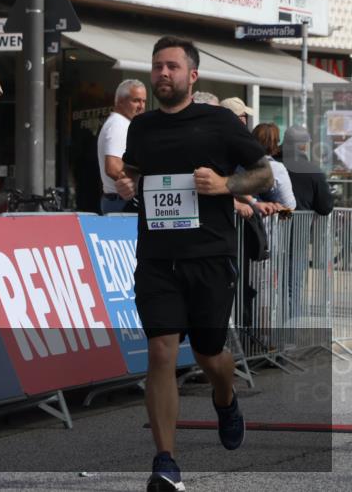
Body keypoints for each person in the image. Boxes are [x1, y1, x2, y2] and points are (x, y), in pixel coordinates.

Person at [114, 36, 273, 492]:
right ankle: (165, 463)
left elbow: (263, 172)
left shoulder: (220, 122)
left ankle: (226, 398)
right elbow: (137, 172)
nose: (162, 74)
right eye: (157, 66)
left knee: (209, 354)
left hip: (209, 255)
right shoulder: (141, 129)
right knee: (162, 349)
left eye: (171, 67)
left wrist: (225, 183)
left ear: (192, 75)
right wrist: (130, 183)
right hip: (158, 258)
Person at [97, 79, 147, 214]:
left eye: (144, 101)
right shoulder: (118, 125)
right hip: (123, 202)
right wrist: (135, 187)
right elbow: (112, 167)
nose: (141, 106)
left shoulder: (121, 123)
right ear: (120, 101)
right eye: (136, 100)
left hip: (119, 201)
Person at [281, 125, 334, 215]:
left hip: (269, 226)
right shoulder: (314, 171)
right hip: (301, 227)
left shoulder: (271, 164)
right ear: (304, 145)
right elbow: (325, 207)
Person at [251, 123, 297, 212]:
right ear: (275, 143)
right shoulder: (276, 168)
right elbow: (289, 204)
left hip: (238, 223)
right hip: (266, 222)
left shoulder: (240, 165)